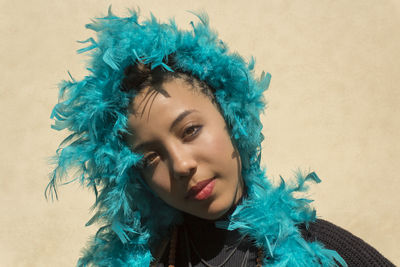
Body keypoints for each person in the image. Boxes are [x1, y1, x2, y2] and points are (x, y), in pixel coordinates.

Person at [47, 8, 394, 267]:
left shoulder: (320, 250)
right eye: (150, 157)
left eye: (190, 131)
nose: (182, 165)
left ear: (231, 117)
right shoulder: (151, 260)